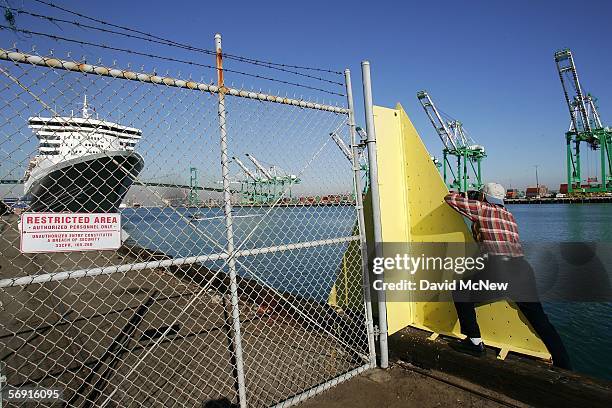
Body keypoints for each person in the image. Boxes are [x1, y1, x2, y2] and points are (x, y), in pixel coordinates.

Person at [444, 182, 571, 369]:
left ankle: (474, 342)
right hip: (522, 270)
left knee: (461, 290)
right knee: (541, 320)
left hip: (499, 269)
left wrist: (467, 194)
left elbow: (450, 199)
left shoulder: (482, 208)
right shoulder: (509, 215)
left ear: (484, 197)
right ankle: (564, 365)